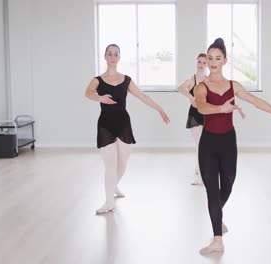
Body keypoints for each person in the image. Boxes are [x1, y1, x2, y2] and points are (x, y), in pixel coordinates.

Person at [194, 38, 271, 254]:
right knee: (212, 190)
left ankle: (216, 216)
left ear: (225, 61)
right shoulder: (201, 87)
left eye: (217, 58)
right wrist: (221, 109)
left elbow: (256, 101)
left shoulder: (233, 86)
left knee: (228, 184)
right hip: (208, 144)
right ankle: (217, 239)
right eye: (210, 58)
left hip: (228, 142)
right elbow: (201, 107)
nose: (212, 62)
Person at [85, 44, 170, 214]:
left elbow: (142, 96)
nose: (112, 56)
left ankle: (114, 185)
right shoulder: (98, 80)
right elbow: (88, 93)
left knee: (123, 162)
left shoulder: (126, 80)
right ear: (105, 56)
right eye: (109, 53)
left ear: (119, 57)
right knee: (110, 164)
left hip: (123, 123)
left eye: (115, 54)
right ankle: (109, 202)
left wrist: (159, 109)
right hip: (105, 124)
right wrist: (100, 97)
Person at [178, 53, 208, 185]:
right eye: (199, 62)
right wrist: (190, 98)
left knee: (203, 145)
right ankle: (201, 176)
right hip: (195, 115)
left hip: (206, 115)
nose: (201, 65)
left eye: (204, 62)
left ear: (207, 65)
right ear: (196, 63)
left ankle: (198, 167)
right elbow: (180, 88)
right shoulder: (192, 79)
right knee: (200, 145)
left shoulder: (208, 80)